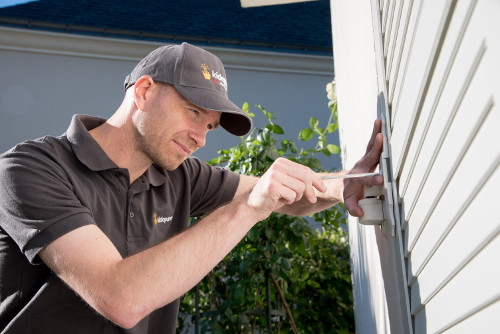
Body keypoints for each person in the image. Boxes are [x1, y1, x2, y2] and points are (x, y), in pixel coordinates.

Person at [0, 42, 383, 333]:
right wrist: (248, 208)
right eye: (194, 112)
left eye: (211, 125)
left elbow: (285, 193)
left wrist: (345, 184)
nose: (201, 138)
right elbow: (121, 297)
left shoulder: (180, 176)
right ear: (144, 91)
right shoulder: (30, 169)